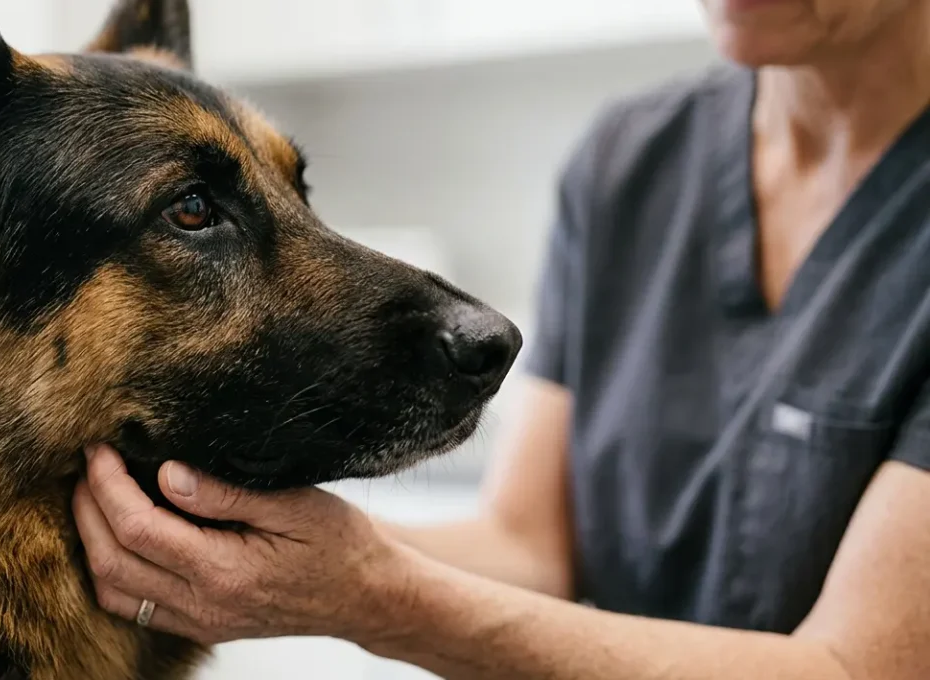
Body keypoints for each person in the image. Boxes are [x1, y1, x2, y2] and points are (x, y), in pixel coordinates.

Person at [73, 0, 930, 677]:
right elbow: (529, 547)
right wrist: (248, 551)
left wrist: (368, 595)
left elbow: (856, 667)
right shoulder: (632, 162)